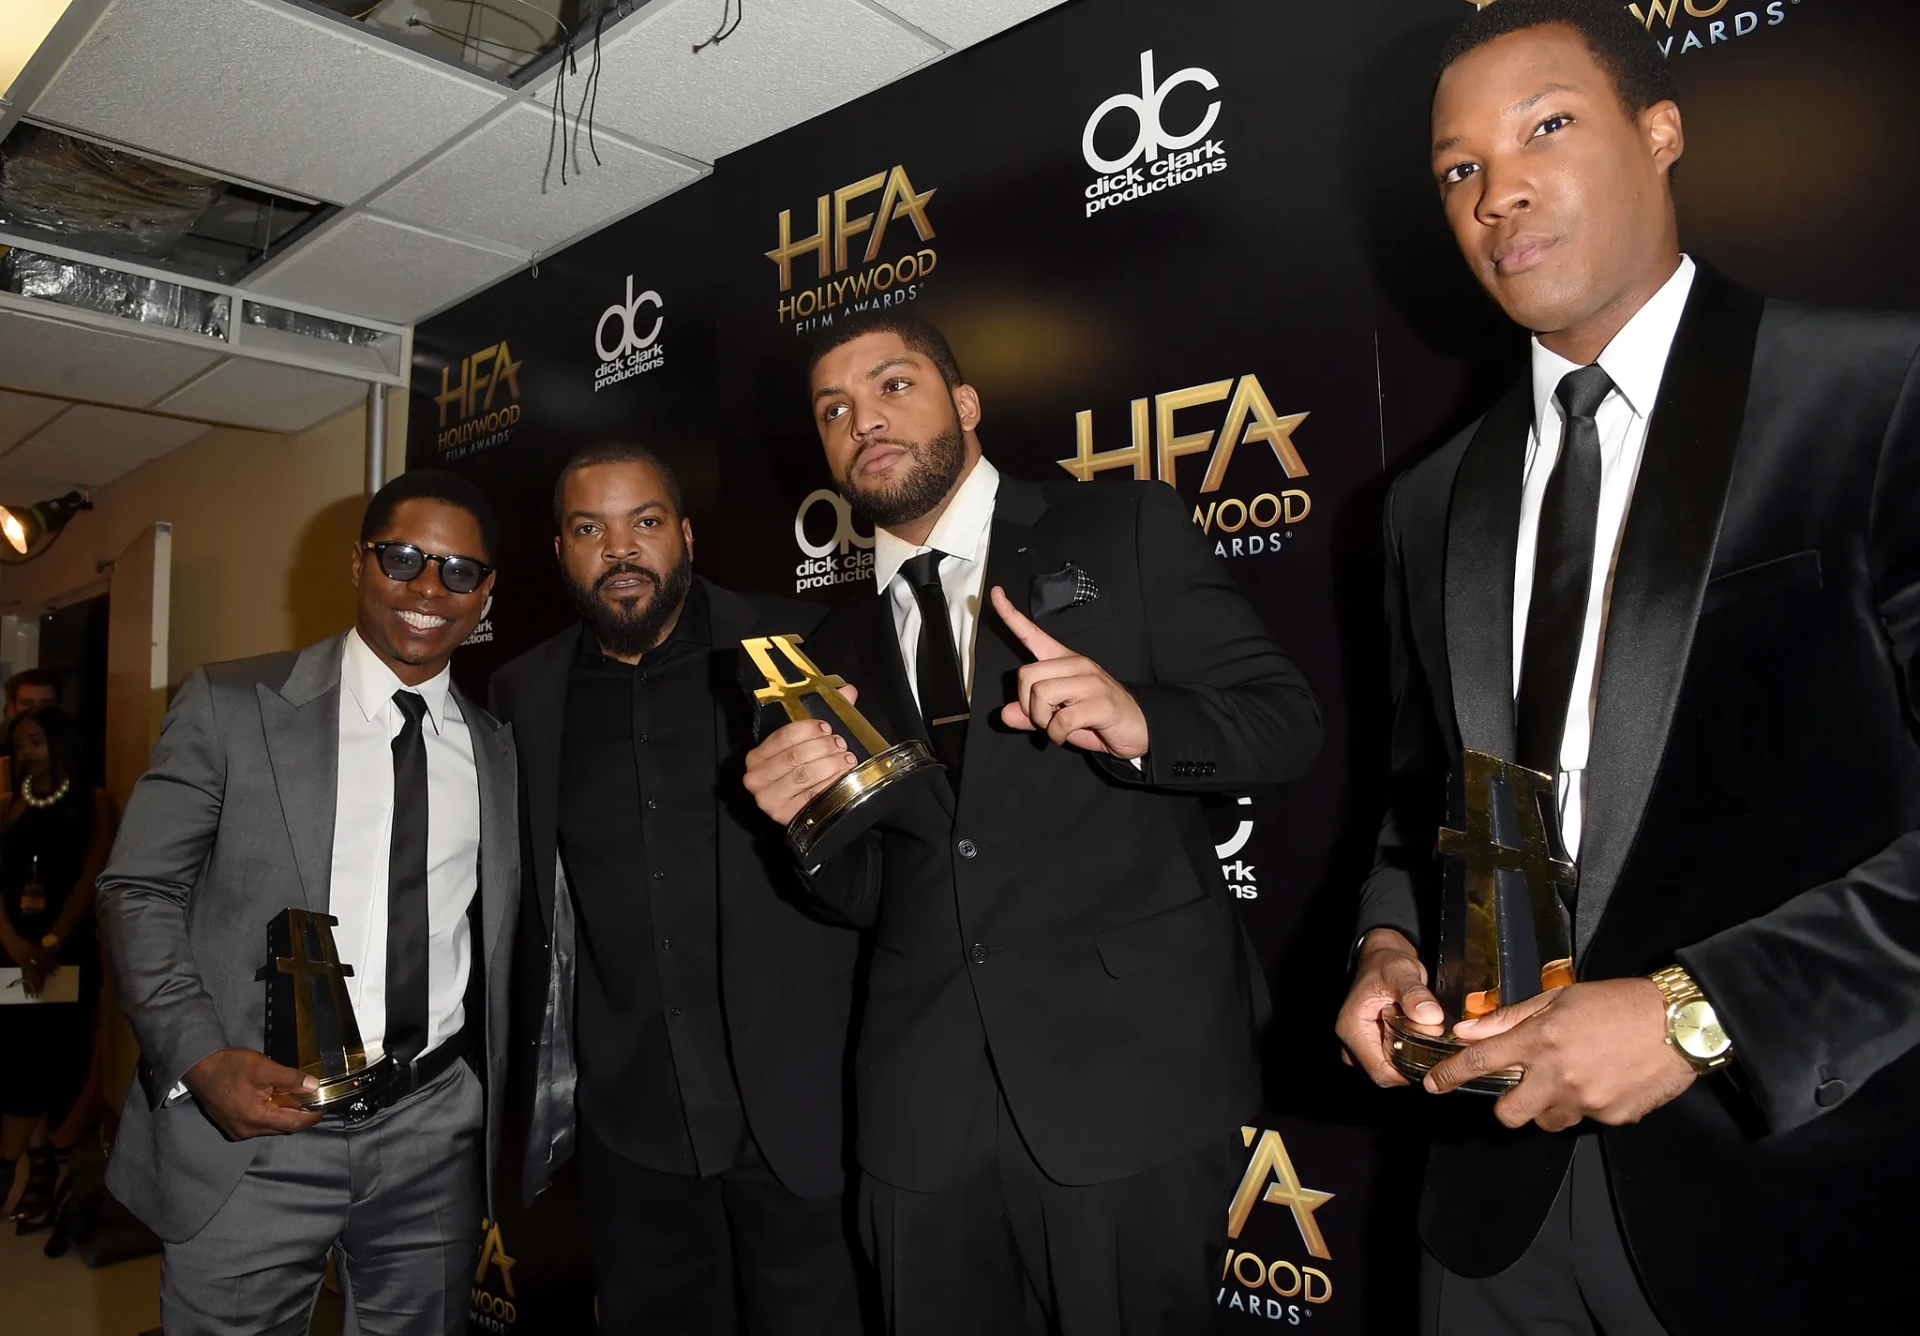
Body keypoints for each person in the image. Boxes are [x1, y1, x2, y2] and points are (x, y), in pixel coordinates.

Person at [1334, 3, 1920, 1333]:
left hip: (1793, 1205)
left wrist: (1696, 1015)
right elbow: (1421, 794)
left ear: (1660, 133)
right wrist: (1384, 943)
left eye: (1546, 127)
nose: (1502, 191)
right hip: (1490, 1216)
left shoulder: (1877, 394)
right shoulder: (1433, 501)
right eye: (1457, 168)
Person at [741, 310, 1322, 1333]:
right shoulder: (827, 647)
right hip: (919, 1116)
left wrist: (1144, 722)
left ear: (965, 405)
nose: (861, 420)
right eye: (834, 410)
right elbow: (873, 890)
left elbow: (1287, 726)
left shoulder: (1122, 528)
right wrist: (806, 824)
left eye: (891, 387)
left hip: (1126, 1088)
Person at [97, 470, 519, 1335]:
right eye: (403, 558)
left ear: (486, 592)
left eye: (459, 571)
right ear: (358, 563)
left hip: (430, 1135)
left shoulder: (500, 751)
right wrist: (203, 1061)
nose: (429, 590)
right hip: (256, 1130)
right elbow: (138, 889)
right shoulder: (229, 706)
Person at [489, 441, 864, 1333]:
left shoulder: (801, 649)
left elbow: (878, 863)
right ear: (560, 553)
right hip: (630, 1127)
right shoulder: (522, 692)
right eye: (590, 529)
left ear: (685, 534)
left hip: (801, 1118)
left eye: (644, 522)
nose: (621, 550)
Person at [0, 706, 114, 1228]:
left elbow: (91, 879)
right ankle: (31, 1168)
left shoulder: (93, 802)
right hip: (11, 955)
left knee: (55, 1060)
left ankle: (40, 1168)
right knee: (21, 1062)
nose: (27, 752)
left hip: (63, 955)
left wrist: (47, 942)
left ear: (61, 743)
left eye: (37, 741)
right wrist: (15, 944)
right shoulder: (9, 806)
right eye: (20, 743)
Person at [0, 668, 61, 798]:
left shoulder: (72, 747)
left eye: (46, 704)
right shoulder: (4, 747)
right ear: (12, 707)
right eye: (27, 703)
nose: (36, 711)